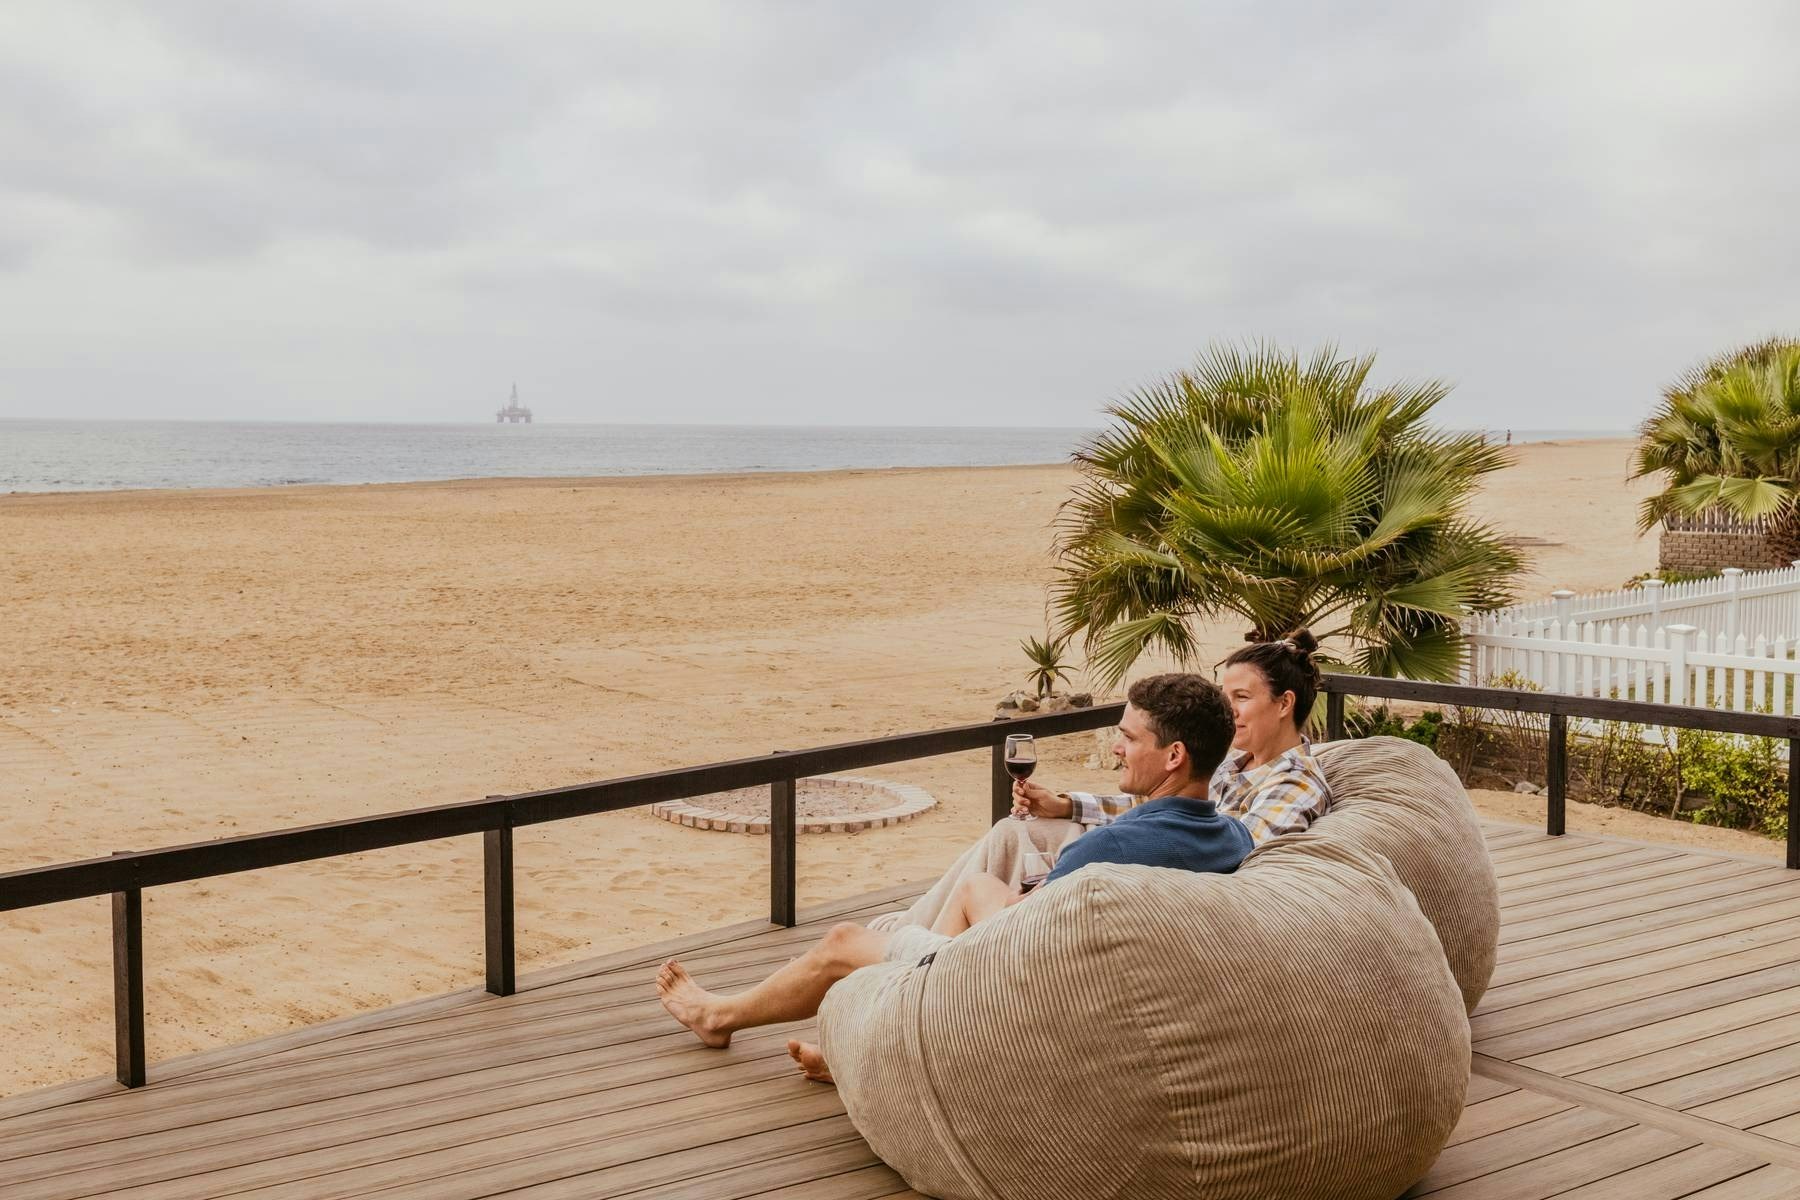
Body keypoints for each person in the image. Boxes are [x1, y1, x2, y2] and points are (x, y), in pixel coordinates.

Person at [655, 673, 1249, 1081]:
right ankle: (863, 1041)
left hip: (1020, 984)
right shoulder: (1232, 836)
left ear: (1174, 756)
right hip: (1103, 971)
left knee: (843, 941)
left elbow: (1021, 939)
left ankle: (720, 1017)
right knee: (975, 888)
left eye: (1128, 737)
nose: (1116, 747)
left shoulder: (1112, 845)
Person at [1017, 629, 1331, 845]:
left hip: (1180, 895)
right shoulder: (1236, 763)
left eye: (1242, 697)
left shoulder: (1295, 784)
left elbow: (1232, 849)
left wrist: (1114, 846)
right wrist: (1066, 805)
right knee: (1016, 835)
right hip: (1160, 866)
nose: (1228, 709)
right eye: (1226, 697)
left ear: (1284, 703)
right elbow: (1162, 808)